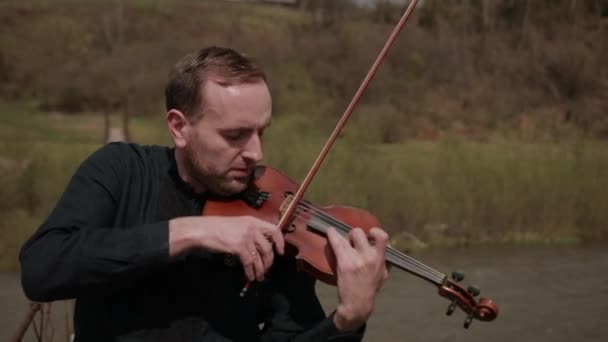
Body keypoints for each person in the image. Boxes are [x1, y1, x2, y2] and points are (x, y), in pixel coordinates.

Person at [19, 46, 390, 341]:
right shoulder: (121, 170)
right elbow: (42, 268)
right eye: (235, 135)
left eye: (262, 132)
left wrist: (346, 320)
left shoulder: (277, 222)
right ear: (180, 127)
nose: (256, 153)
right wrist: (191, 231)